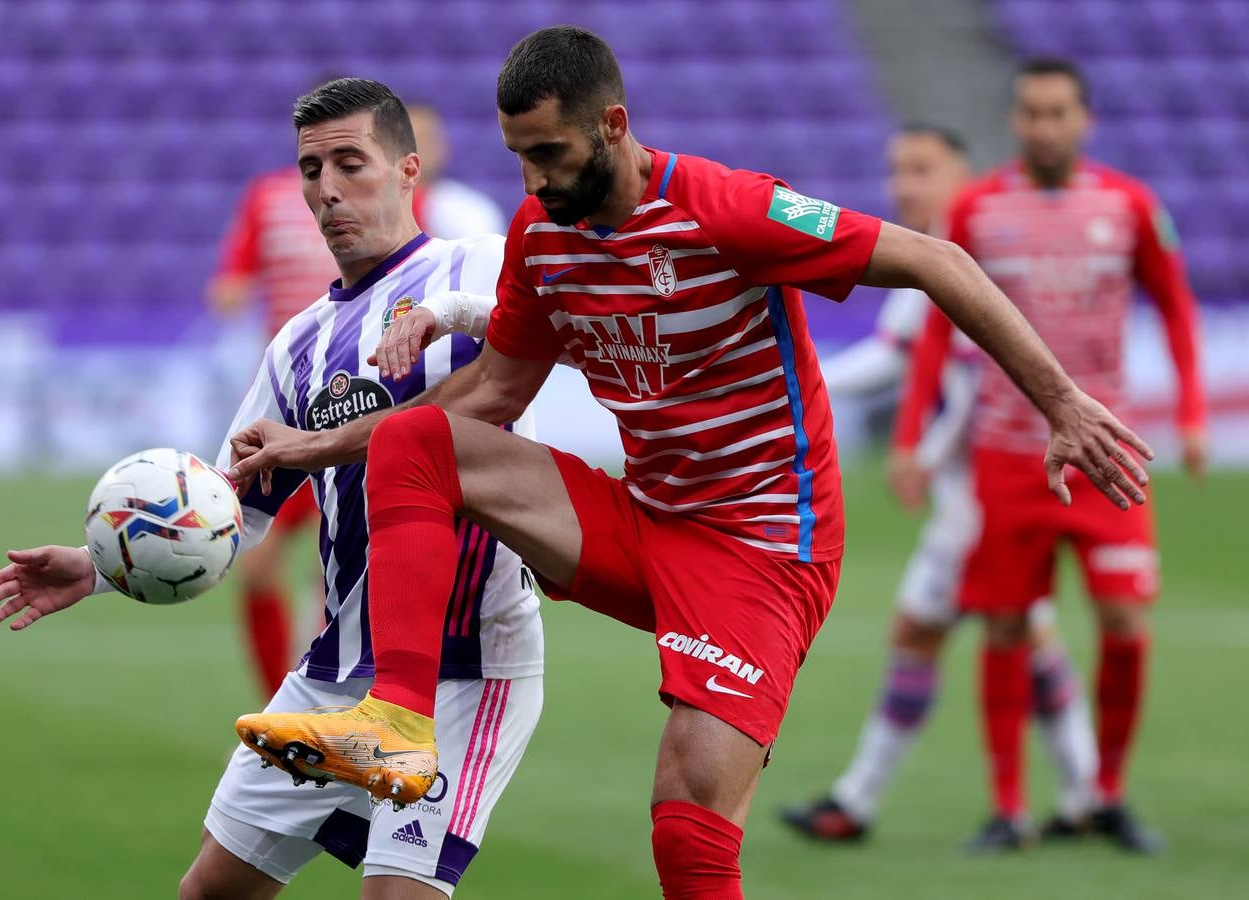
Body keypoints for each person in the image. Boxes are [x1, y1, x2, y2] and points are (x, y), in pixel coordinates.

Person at [224, 29, 1150, 899]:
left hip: (761, 551)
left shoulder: (725, 208)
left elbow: (939, 260)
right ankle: (396, 723)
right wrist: (316, 447)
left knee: (687, 822)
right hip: (646, 519)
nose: (531, 180)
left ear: (612, 127)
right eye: (517, 155)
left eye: (548, 153)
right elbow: (489, 395)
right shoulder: (544, 237)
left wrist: (1061, 402)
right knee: (415, 440)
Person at [0, 78, 544, 900]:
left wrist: (452, 314)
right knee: (208, 893)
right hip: (335, 671)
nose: (328, 188)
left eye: (351, 163)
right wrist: (99, 567)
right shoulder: (297, 346)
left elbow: (550, 331)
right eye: (312, 168)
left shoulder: (477, 263)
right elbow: (229, 510)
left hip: (466, 667)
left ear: (408, 169)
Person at [896, 58, 1205, 853]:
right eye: (1031, 113)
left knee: (1125, 621)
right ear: (1016, 120)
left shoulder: (1130, 205)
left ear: (1085, 120)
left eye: (1058, 112)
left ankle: (1106, 794)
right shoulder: (976, 209)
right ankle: (1009, 808)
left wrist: (1194, 415)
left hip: (1107, 454)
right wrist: (908, 440)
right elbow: (936, 329)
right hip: (1008, 458)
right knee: (1003, 630)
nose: (1044, 126)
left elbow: (1174, 306)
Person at [780, 125, 1097, 841]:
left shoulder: (976, 254)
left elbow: (973, 378)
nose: (904, 187)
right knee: (1022, 632)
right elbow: (900, 355)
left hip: (985, 497)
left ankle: (858, 802)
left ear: (965, 172)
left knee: (935, 630)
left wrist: (805, 389)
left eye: (923, 169)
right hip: (971, 495)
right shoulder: (930, 258)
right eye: (897, 171)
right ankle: (1084, 794)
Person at [208, 105, 344, 699]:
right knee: (256, 563)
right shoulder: (267, 199)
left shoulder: (369, 201)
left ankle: (331, 703)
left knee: (340, 568)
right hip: (285, 408)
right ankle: (274, 711)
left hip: (356, 404)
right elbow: (229, 288)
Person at [407, 102, 507, 240]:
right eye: (407, 139)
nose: (418, 147)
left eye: (425, 138)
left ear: (443, 146)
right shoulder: (372, 208)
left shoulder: (468, 210)